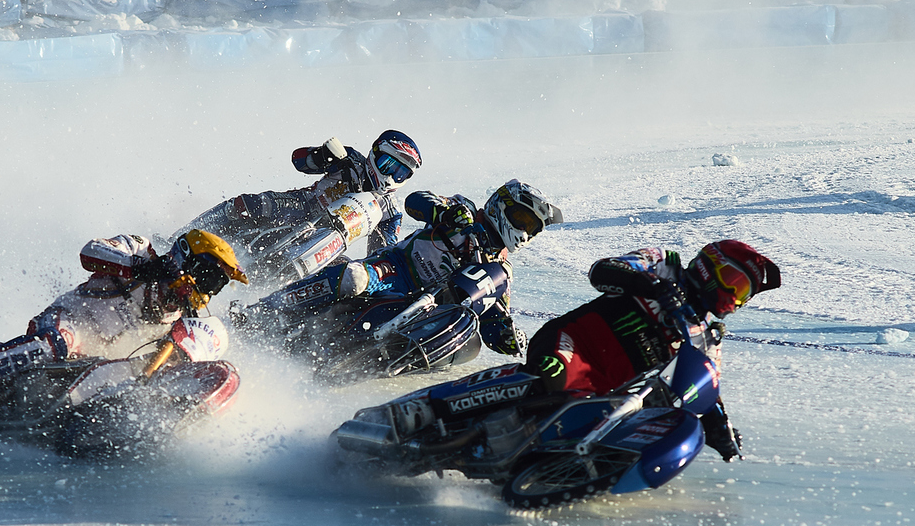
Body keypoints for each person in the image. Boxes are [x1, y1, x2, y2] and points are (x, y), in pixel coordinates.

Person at [0, 230, 248, 408]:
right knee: (55, 343)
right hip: (68, 324)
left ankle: (121, 417)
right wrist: (143, 268)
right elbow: (90, 252)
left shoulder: (185, 319)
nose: (207, 290)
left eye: (216, 285)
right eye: (207, 277)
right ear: (186, 258)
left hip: (101, 364)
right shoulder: (141, 250)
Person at [236, 179, 563, 356]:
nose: (524, 230)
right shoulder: (463, 210)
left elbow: (493, 312)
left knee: (469, 344)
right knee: (354, 276)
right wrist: (443, 212)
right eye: (522, 218)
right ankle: (260, 312)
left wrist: (506, 335)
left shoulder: (499, 271)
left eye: (532, 226)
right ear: (501, 205)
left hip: (424, 310)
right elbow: (417, 201)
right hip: (394, 271)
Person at [521, 240, 781, 461]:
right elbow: (602, 270)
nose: (734, 297)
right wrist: (653, 286)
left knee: (599, 444)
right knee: (549, 377)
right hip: (573, 344)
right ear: (710, 266)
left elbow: (703, 389)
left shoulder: (706, 338)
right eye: (734, 284)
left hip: (601, 396)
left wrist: (720, 430)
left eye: (743, 295)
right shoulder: (663, 264)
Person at [188, 130, 422, 254]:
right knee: (248, 205)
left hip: (328, 240)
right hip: (301, 205)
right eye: (388, 166)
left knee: (339, 276)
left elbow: (382, 253)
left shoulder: (391, 212)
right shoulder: (351, 159)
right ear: (375, 153)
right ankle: (184, 236)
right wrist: (324, 156)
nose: (391, 176)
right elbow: (299, 160)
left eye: (401, 173)